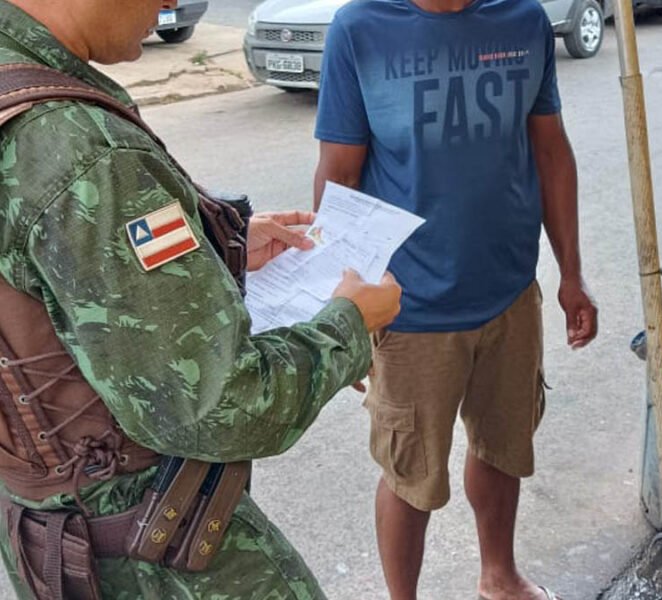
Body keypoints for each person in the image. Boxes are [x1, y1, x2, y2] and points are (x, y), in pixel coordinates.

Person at [0, 0, 401, 597]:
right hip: (153, 550)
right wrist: (349, 325)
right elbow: (219, 409)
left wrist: (218, 248)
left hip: (47, 535)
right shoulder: (81, 148)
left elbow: (51, 280)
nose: (171, 3)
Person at [313, 0, 598, 597]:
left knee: (504, 446)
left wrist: (571, 273)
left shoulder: (524, 20)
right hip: (409, 307)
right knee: (409, 472)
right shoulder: (360, 30)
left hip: (509, 293)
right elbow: (339, 176)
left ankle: (499, 575)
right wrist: (339, 315)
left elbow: (550, 151)